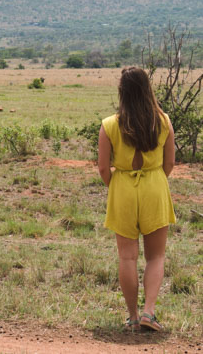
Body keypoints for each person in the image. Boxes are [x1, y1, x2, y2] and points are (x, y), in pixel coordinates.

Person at [98, 67, 176, 332]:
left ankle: (132, 316)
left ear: (122, 91)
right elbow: (169, 164)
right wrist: (154, 181)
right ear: (147, 89)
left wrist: (119, 187)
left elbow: (102, 168)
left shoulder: (109, 124)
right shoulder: (163, 121)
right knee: (156, 257)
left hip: (123, 189)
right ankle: (149, 313)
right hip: (155, 186)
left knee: (127, 258)